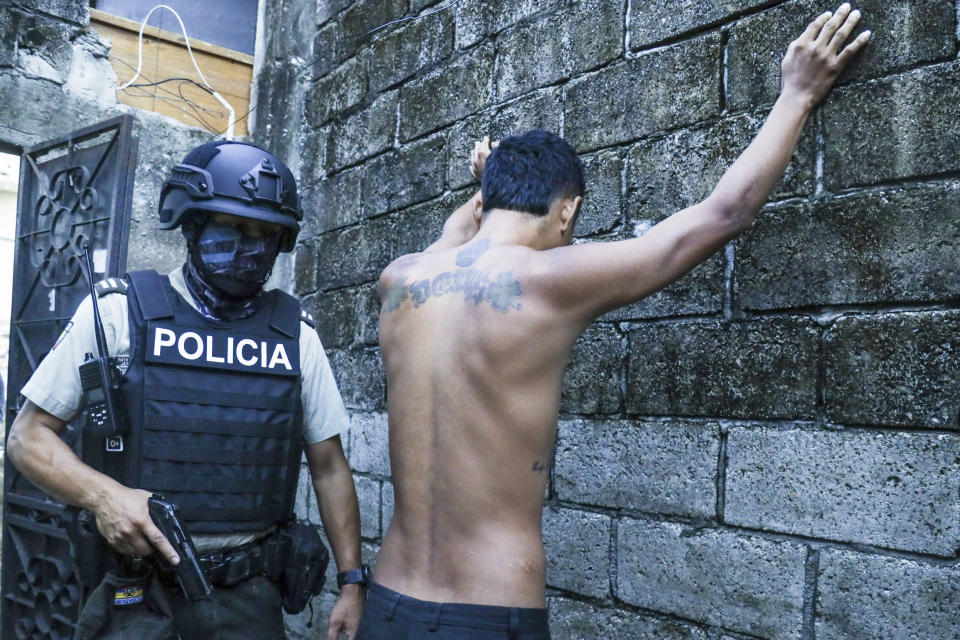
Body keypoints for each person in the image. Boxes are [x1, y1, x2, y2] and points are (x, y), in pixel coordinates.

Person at [360, 5, 870, 639]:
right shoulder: (549, 281)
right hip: (487, 612)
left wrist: (486, 184)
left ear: (484, 197)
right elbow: (721, 215)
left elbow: (458, 234)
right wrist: (797, 94)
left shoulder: (400, 280)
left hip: (387, 604)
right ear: (569, 211)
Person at [7, 140, 365, 640]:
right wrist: (104, 497)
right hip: (137, 591)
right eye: (232, 229)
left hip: (250, 596)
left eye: (266, 235)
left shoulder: (295, 335)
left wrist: (352, 582)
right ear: (192, 226)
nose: (249, 248)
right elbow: (27, 438)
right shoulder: (118, 313)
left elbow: (329, 467)